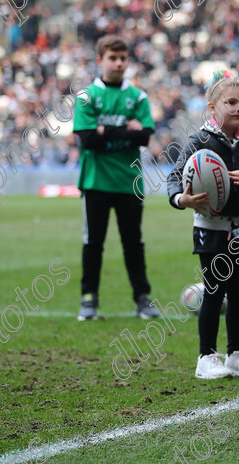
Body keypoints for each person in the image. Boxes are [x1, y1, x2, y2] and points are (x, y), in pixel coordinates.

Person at [166, 69, 239, 379]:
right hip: (211, 229)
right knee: (214, 292)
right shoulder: (199, 140)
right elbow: (175, 177)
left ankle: (237, 354)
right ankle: (206, 357)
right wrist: (181, 199)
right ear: (212, 107)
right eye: (231, 102)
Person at [73, 35, 160, 321]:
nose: (119, 63)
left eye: (123, 58)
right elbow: (87, 140)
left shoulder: (138, 96)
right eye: (113, 58)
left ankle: (142, 299)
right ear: (100, 60)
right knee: (93, 243)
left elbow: (145, 136)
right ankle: (89, 299)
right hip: (95, 182)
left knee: (133, 242)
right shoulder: (86, 95)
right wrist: (126, 128)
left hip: (130, 182)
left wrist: (105, 129)